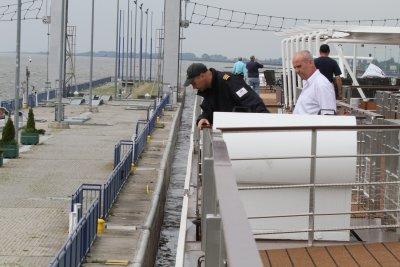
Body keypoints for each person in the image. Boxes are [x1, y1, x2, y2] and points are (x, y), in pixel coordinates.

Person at [183, 63, 268, 128]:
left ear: (202, 76)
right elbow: (208, 110)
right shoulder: (209, 88)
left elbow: (252, 101)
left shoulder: (229, 81)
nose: (193, 87)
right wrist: (203, 118)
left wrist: (267, 122)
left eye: (193, 83)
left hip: (243, 130)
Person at [292, 50, 336, 115]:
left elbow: (329, 116)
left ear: (310, 63)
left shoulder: (322, 84)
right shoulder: (309, 82)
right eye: (294, 67)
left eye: (299, 66)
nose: (296, 71)